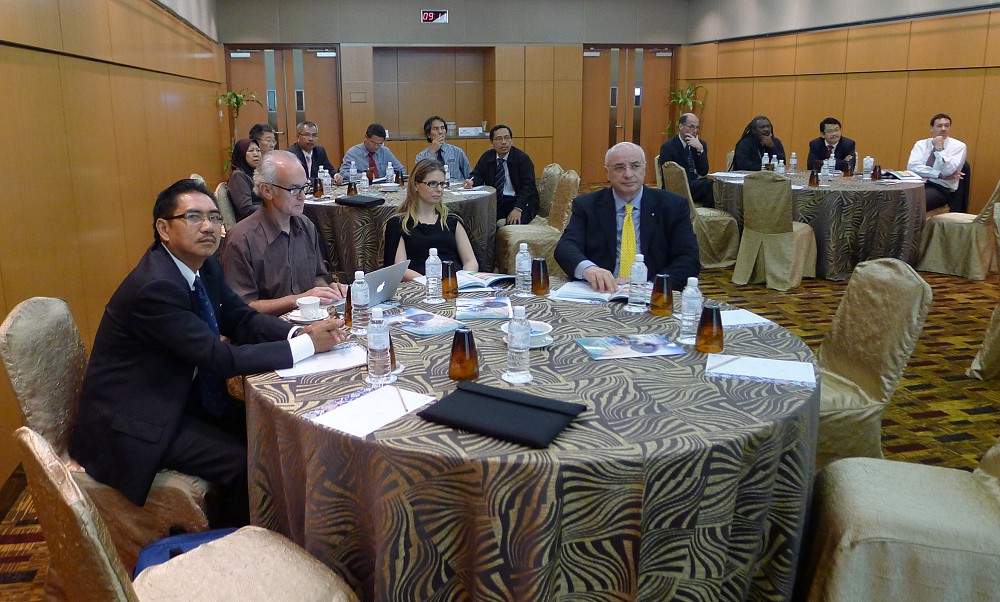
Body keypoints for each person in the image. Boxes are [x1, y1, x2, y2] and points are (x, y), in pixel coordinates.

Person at [68, 179, 346, 527]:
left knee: (273, 431)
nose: (208, 227)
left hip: (183, 394)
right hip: (138, 419)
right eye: (193, 217)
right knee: (242, 462)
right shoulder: (156, 286)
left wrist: (298, 332)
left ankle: (294, 526)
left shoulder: (205, 266)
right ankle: (233, 542)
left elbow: (241, 319)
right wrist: (307, 346)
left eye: (215, 217)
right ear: (164, 229)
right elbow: (220, 359)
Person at [555, 142, 700, 293]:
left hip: (652, 292)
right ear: (607, 172)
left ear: (644, 169)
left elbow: (688, 258)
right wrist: (589, 269)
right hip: (602, 291)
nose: (628, 174)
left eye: (635, 166)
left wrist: (649, 286)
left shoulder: (672, 205)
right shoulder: (587, 205)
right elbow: (565, 247)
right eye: (619, 167)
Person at [221, 150, 347, 316]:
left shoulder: (305, 226)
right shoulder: (241, 239)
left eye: (305, 187)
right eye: (294, 190)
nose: (303, 196)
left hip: (309, 317)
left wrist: (329, 291)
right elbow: (241, 308)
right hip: (267, 327)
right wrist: (298, 299)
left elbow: (317, 277)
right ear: (267, 191)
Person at [383, 159, 478, 281]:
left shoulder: (451, 220)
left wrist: (462, 279)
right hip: (418, 285)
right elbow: (400, 269)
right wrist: (430, 282)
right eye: (432, 183)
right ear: (416, 185)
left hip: (454, 283)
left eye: (442, 184)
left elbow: (470, 261)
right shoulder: (399, 224)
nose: (439, 189)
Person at [464, 125, 540, 224]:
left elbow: (528, 186)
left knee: (512, 223)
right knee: (477, 221)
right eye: (499, 138)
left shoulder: (522, 158)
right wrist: (471, 181)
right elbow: (477, 175)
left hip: (520, 201)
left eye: (507, 138)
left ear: (511, 141)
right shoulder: (487, 157)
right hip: (497, 201)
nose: (504, 142)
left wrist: (518, 208)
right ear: (491, 143)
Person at [907, 113, 967, 212]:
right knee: (897, 198)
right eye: (939, 126)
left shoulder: (959, 146)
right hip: (917, 183)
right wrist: (938, 174)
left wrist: (940, 149)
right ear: (931, 128)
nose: (943, 129)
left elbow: (948, 171)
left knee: (915, 202)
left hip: (940, 188)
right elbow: (912, 167)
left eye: (946, 126)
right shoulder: (921, 144)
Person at [657, 113, 715, 208]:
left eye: (697, 127)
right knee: (709, 185)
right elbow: (669, 176)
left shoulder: (700, 144)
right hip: (678, 186)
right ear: (681, 126)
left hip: (695, 185)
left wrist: (700, 150)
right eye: (691, 127)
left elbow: (704, 172)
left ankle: (710, 213)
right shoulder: (668, 147)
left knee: (716, 185)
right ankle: (708, 212)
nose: (695, 131)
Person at [340, 123, 405, 181]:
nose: (376, 147)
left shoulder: (385, 152)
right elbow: (343, 173)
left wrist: (393, 176)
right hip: (363, 186)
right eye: (373, 143)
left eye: (380, 144)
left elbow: (402, 170)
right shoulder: (353, 153)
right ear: (366, 137)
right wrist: (363, 176)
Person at [415, 115, 472, 180]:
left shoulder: (457, 152)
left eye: (443, 128)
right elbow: (421, 177)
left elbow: (469, 176)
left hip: (456, 185)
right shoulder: (421, 156)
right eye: (436, 129)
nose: (440, 132)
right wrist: (432, 152)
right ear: (428, 135)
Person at [228, 138, 263, 221]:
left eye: (258, 150)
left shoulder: (256, 173)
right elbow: (246, 208)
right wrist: (273, 210)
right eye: (251, 151)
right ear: (241, 154)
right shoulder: (238, 176)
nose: (256, 154)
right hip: (251, 223)